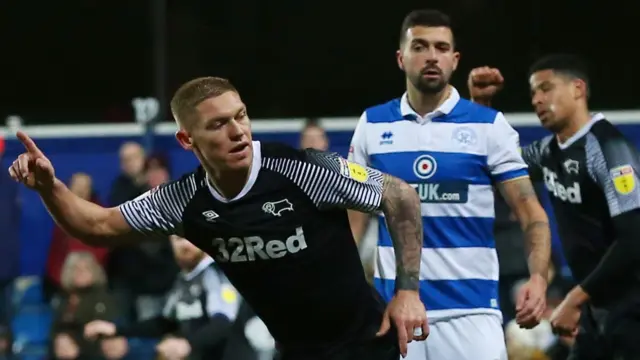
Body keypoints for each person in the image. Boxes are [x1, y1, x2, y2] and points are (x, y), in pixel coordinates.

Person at [8, 76, 429, 360]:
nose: (238, 131)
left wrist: (407, 292)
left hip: (367, 345)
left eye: (241, 116)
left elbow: (400, 195)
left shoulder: (303, 168)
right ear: (187, 139)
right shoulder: (184, 200)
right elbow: (96, 226)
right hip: (295, 352)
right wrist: (49, 186)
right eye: (219, 124)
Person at [347, 9, 551, 360]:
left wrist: (539, 278)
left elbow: (530, 212)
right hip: (394, 312)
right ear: (401, 58)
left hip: (471, 313)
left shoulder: (489, 126)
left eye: (441, 48)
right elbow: (353, 220)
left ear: (454, 60)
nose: (431, 56)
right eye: (420, 46)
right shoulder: (372, 124)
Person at [468, 54, 640, 359]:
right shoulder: (548, 152)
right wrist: (481, 107)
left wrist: (573, 299)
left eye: (546, 88)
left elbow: (634, 238)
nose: (537, 99)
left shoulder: (610, 148)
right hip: (597, 305)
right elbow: (493, 164)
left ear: (578, 88)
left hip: (631, 305)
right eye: (533, 92)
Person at [84, 235, 255, 360]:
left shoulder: (217, 273)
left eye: (190, 237)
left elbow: (223, 323)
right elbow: (165, 322)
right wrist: (116, 330)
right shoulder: (183, 279)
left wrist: (187, 344)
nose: (185, 244)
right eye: (178, 239)